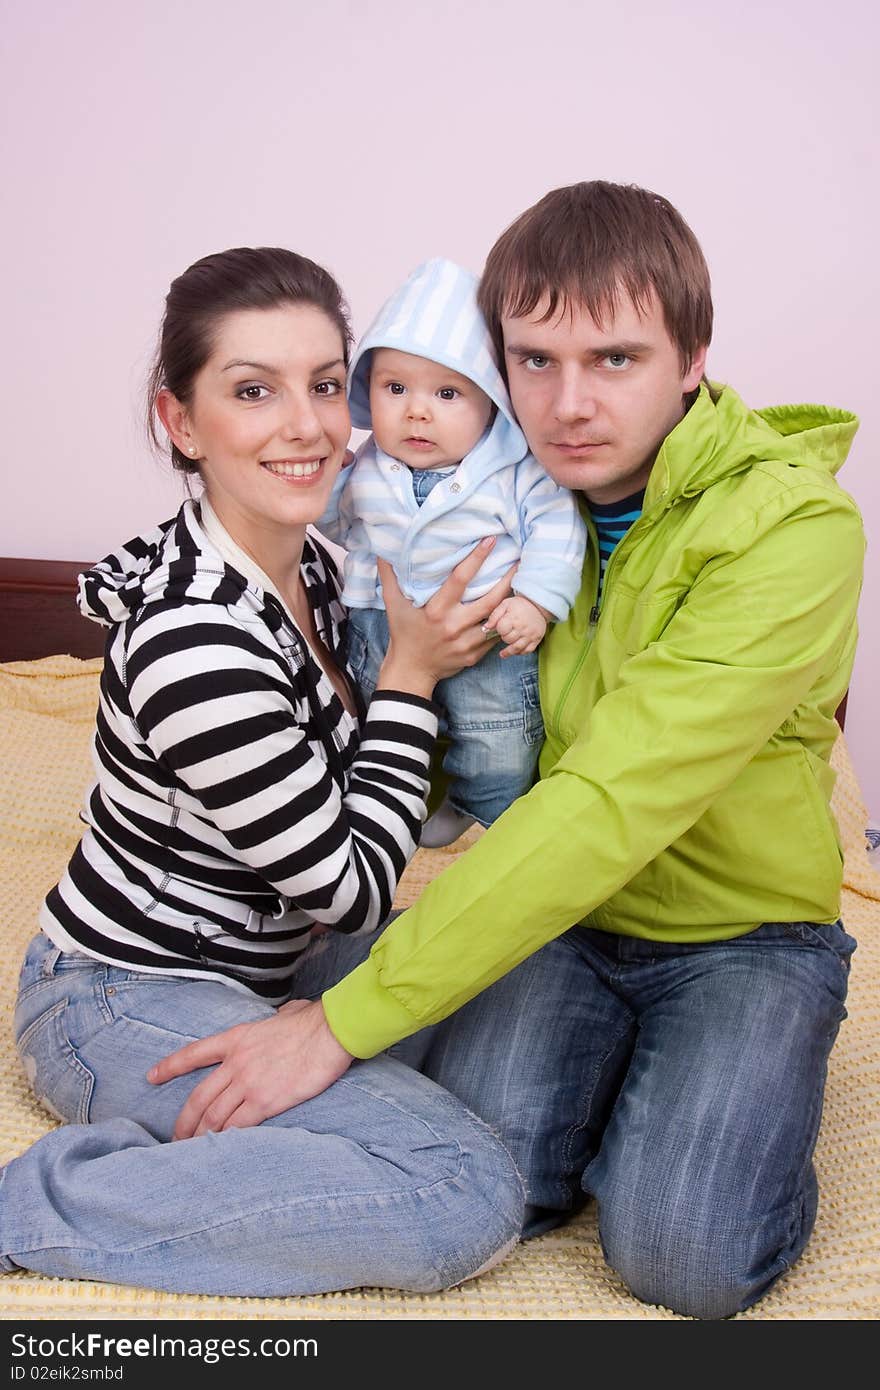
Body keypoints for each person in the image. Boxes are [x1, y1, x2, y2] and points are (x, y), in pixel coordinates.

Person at [151, 184, 865, 1320]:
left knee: (681, 1257)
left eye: (616, 358)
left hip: (742, 934)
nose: (569, 404)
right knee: (495, 1185)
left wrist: (339, 1022)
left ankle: (740, 1102)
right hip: (567, 923)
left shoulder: (795, 530)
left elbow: (606, 801)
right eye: (533, 361)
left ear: (691, 357)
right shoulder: (519, 497)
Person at [1, 246, 526, 1295]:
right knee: (461, 1184)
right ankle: (38, 1202)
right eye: (254, 391)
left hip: (274, 967)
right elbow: (351, 886)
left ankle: (208, 1160)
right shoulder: (194, 637)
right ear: (181, 422)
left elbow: (393, 817)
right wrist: (412, 679)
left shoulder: (324, 566)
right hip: (121, 991)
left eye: (328, 384)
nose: (308, 425)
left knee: (532, 983)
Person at [318, 256, 585, 847]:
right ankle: (388, 801)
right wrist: (326, 482)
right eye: (395, 388)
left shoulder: (515, 469)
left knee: (499, 739)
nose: (417, 410)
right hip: (378, 622)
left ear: (491, 400)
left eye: (447, 392)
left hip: (488, 632)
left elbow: (558, 530)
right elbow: (339, 526)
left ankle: (479, 806)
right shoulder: (367, 466)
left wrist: (536, 603)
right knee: (368, 717)